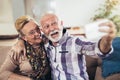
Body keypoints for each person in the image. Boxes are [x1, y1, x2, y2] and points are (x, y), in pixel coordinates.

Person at [39, 13, 116, 80]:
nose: (52, 28)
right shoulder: (46, 43)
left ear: (62, 24)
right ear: (42, 30)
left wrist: (107, 40)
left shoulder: (75, 42)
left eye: (54, 23)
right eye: (47, 26)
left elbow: (98, 50)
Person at [0, 15, 51, 80]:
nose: (37, 33)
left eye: (37, 28)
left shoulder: (47, 40)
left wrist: (20, 41)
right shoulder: (17, 50)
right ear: (24, 37)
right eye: (32, 32)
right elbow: (3, 73)